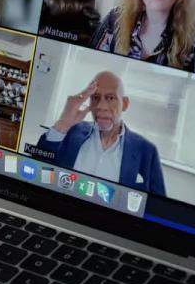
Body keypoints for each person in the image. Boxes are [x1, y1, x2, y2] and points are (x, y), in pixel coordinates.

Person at [35, 71, 166, 195]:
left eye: (110, 98)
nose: (100, 106)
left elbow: (158, 208)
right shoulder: (70, 132)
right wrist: (63, 123)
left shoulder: (147, 151)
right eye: (95, 98)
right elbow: (37, 176)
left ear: (124, 104)